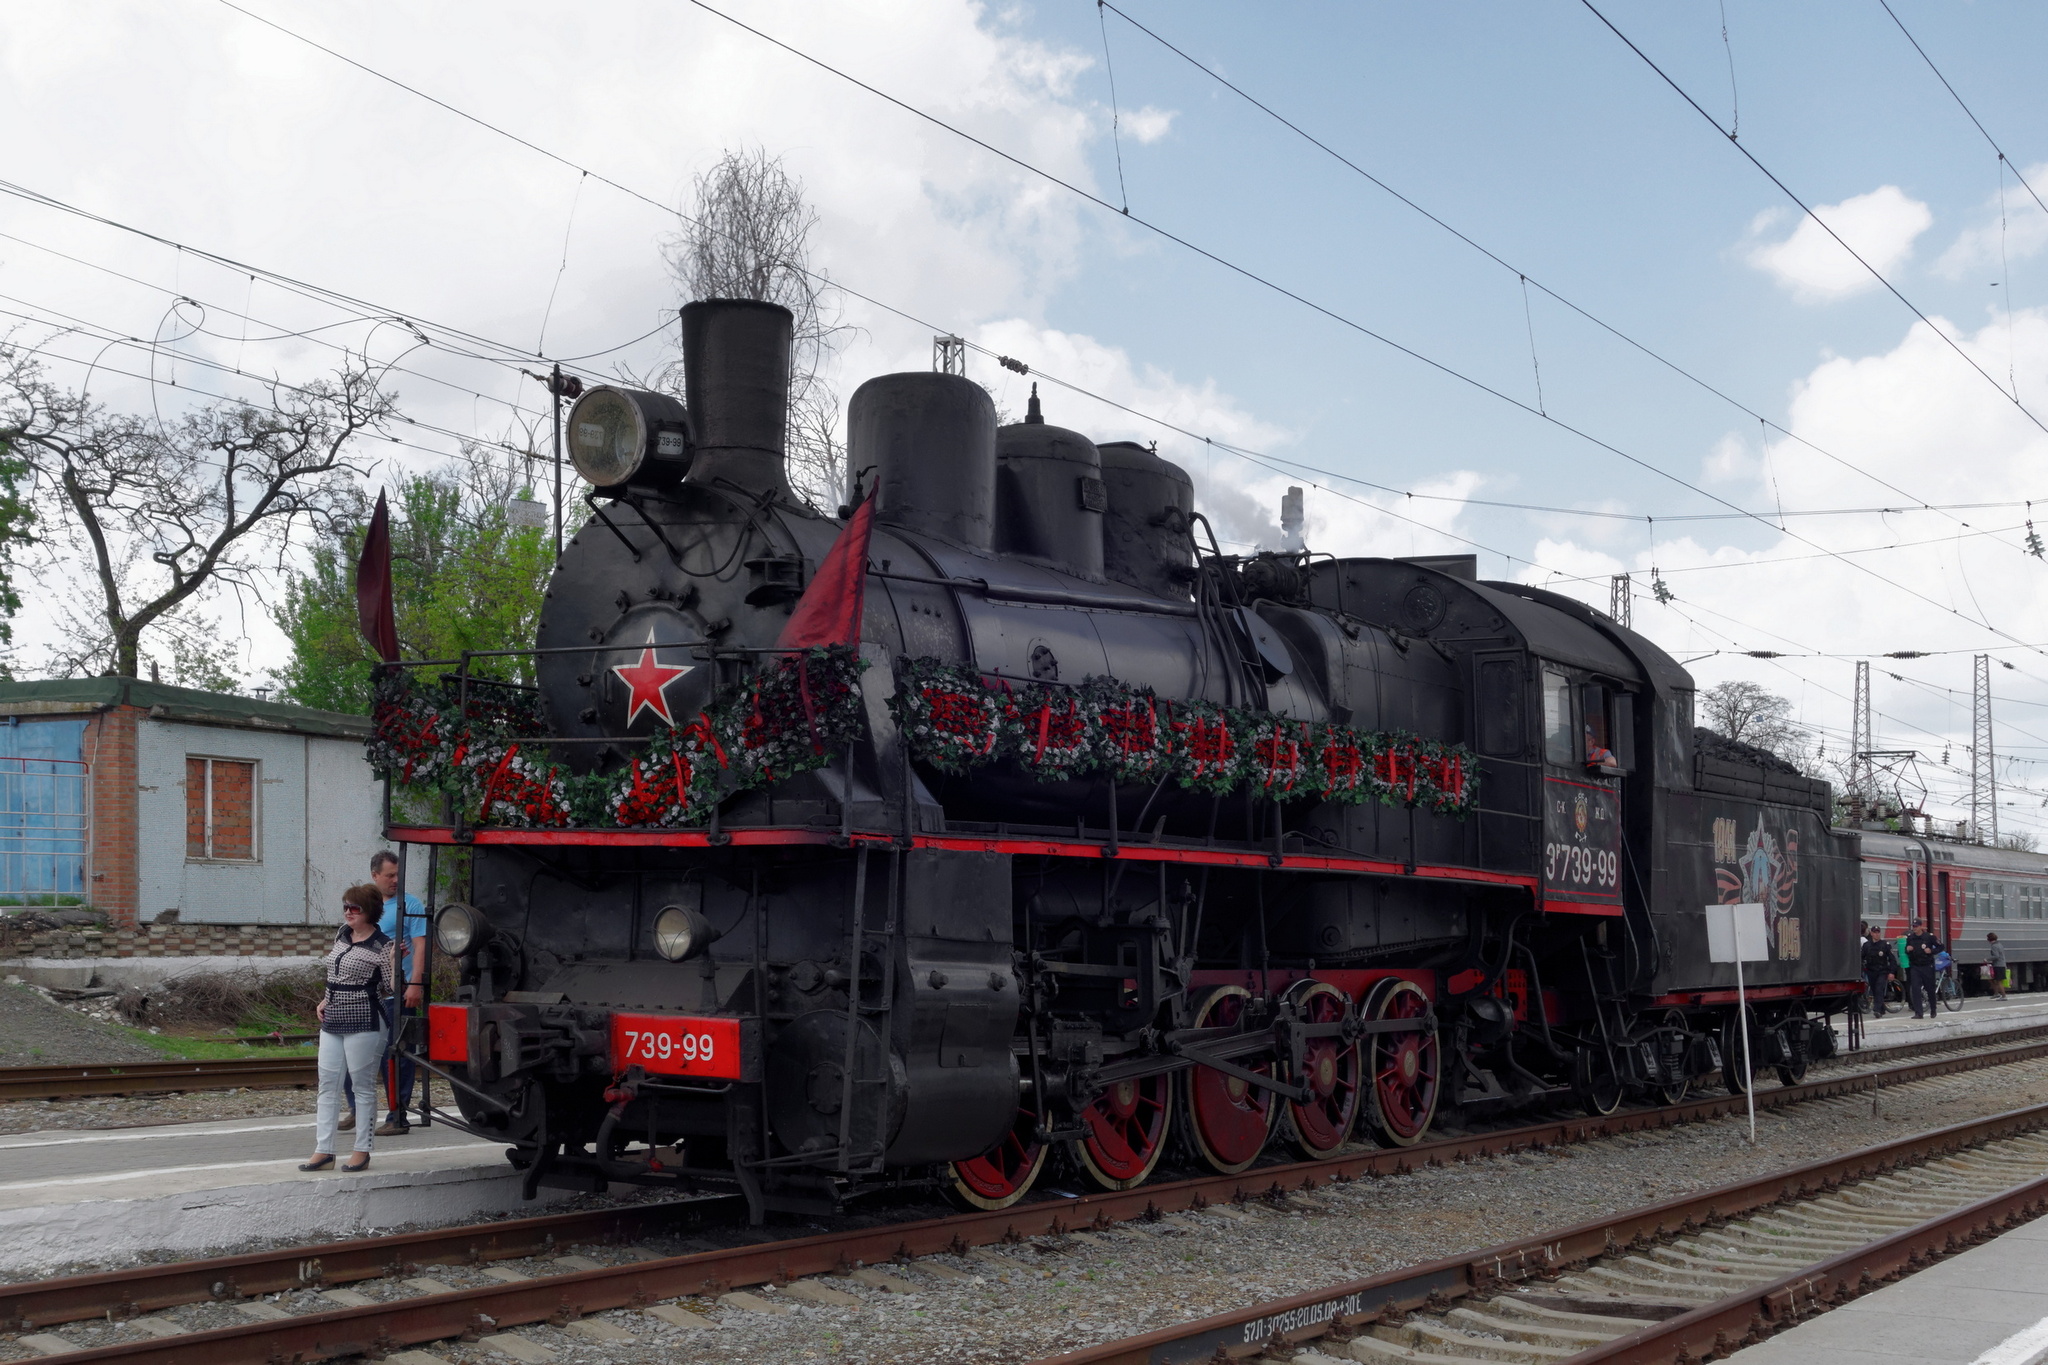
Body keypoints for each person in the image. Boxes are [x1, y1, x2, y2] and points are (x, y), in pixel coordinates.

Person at [302, 884, 392, 1173]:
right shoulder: (342, 933)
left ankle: (361, 1150)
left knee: (362, 1087)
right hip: (333, 1018)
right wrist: (324, 999)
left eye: (356, 908)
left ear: (370, 912)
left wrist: (393, 962)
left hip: (365, 1019)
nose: (349, 912)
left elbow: (390, 988)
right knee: (327, 1085)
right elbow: (335, 973)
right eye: (346, 907)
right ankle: (324, 1150)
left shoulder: (383, 945)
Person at [341, 851, 428, 1137]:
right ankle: (357, 1108)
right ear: (375, 875)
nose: (395, 880)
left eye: (398, 874)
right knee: (351, 1052)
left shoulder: (410, 904)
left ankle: (397, 1114)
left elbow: (420, 945)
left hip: (396, 993)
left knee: (397, 1055)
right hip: (364, 996)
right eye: (390, 875)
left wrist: (415, 983)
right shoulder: (366, 907)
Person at [1903, 921, 1941, 1019]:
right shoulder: (1910, 938)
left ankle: (1933, 1009)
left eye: (1916, 926)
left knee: (1930, 989)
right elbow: (1905, 951)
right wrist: (1907, 949)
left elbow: (1941, 947)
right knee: (1915, 989)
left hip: (1927, 966)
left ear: (1921, 926)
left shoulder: (1929, 937)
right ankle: (1918, 1013)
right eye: (1913, 926)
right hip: (1915, 966)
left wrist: (1931, 951)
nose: (1914, 928)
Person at [1860, 925, 1893, 1017]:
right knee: (1874, 990)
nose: (1876, 934)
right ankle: (1881, 1009)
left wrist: (1891, 972)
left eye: (1878, 932)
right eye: (1875, 932)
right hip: (1871, 971)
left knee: (1879, 989)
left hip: (1882, 971)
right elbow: (1861, 957)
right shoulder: (1867, 945)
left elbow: (1892, 959)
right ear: (1871, 933)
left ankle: (1877, 1010)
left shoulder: (1885, 945)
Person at [1987, 933, 2009, 1001]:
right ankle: (1996, 993)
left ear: (1989, 939)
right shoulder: (2000, 944)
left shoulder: (1994, 946)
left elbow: (1996, 956)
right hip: (2002, 964)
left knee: (1999, 981)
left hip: (1998, 965)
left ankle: (2004, 996)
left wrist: (1987, 959)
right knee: (1994, 980)